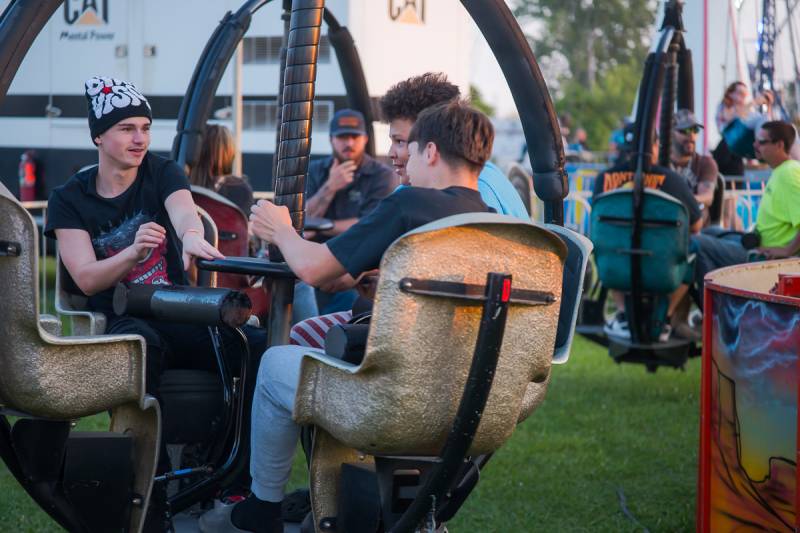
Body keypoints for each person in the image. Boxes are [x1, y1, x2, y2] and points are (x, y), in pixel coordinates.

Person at [199, 100, 498, 533]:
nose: (404, 162)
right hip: (464, 402)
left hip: (388, 399)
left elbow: (314, 268)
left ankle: (262, 507)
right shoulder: (493, 225)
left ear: (430, 152)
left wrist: (280, 227)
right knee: (314, 337)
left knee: (274, 363)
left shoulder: (411, 205)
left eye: (409, 150)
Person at [44, 77, 267, 531]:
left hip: (175, 307)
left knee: (256, 345)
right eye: (126, 128)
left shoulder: (161, 172)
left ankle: (235, 482)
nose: (140, 138)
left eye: (145, 126)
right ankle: (156, 486)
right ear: (98, 136)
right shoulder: (69, 200)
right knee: (143, 347)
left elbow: (185, 212)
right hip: (121, 318)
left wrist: (191, 236)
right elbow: (85, 278)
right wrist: (131, 253)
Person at [289, 72, 529, 347]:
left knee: (295, 342)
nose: (393, 153)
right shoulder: (476, 185)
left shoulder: (431, 198)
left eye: (402, 142)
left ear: (431, 144)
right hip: (490, 342)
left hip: (445, 346)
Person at [593, 128, 703, 341]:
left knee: (610, 241)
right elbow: (696, 225)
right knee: (696, 249)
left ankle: (624, 313)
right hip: (662, 267)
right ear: (655, 147)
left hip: (616, 267)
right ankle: (664, 318)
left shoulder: (603, 179)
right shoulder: (671, 181)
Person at [305, 109, 397, 313]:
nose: (349, 143)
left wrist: (320, 226)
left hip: (355, 269)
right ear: (331, 139)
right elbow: (300, 220)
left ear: (364, 139)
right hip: (311, 263)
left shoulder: (382, 176)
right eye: (342, 136)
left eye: (354, 136)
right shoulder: (315, 170)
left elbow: (370, 227)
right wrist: (329, 187)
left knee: (348, 301)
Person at [692, 121, 800, 280]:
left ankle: (714, 300)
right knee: (709, 231)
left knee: (696, 243)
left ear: (779, 145)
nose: (755, 145)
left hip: (765, 257)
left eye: (762, 142)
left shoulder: (788, 174)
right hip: (758, 244)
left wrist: (787, 250)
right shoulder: (780, 171)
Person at [670, 109, 718, 217]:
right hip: (666, 222)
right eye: (684, 131)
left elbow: (707, 197)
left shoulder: (705, 163)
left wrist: (678, 201)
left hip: (695, 225)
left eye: (695, 130)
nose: (691, 136)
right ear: (671, 133)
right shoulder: (660, 161)